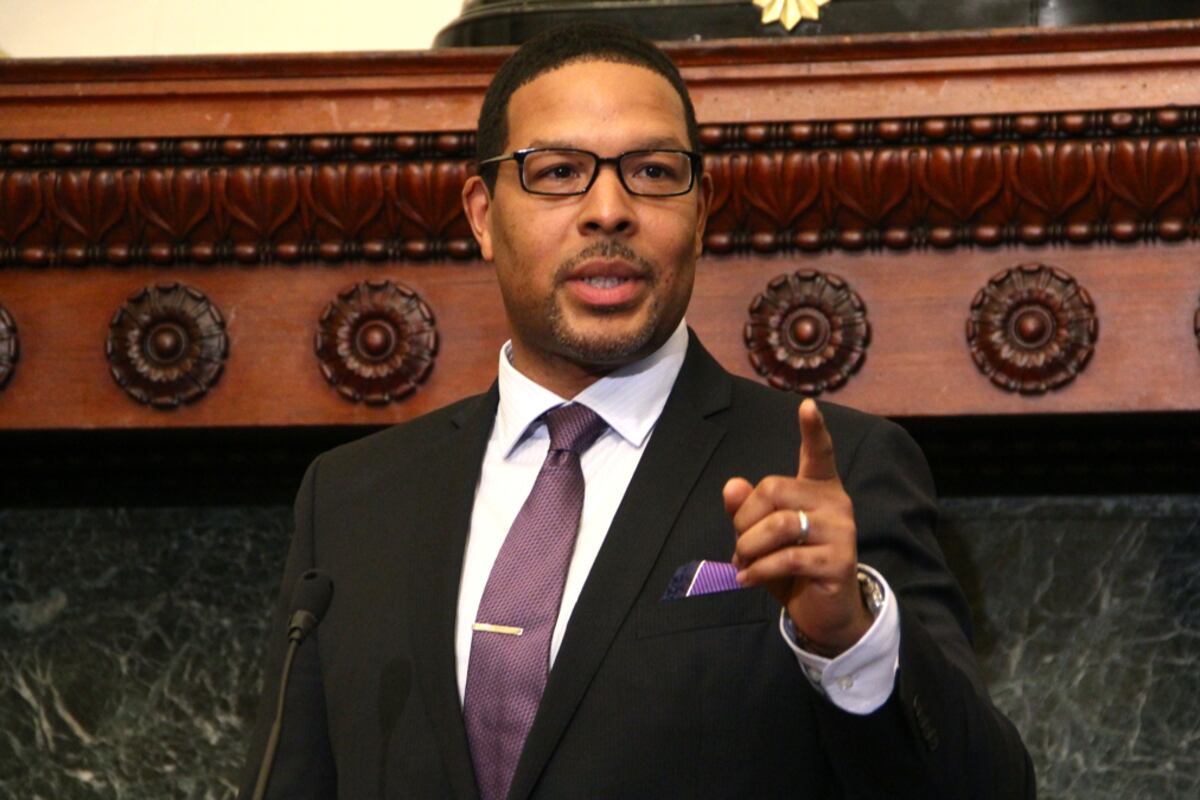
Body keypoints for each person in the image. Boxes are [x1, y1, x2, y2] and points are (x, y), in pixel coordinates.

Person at [240, 22, 1035, 800]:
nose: (609, 210)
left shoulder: (830, 473)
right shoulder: (352, 498)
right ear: (483, 214)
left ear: (701, 210)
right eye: (557, 172)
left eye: (654, 172)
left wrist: (850, 637)